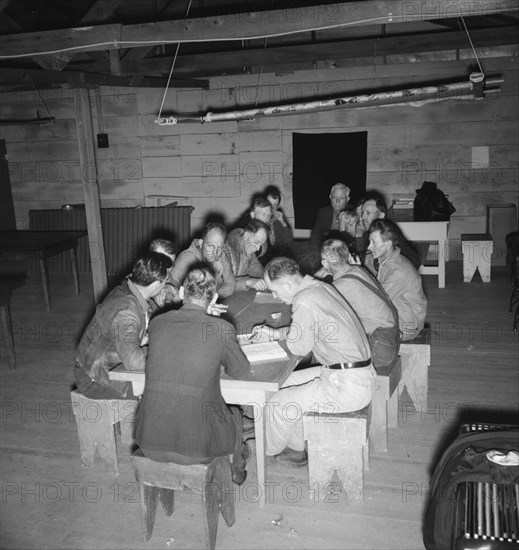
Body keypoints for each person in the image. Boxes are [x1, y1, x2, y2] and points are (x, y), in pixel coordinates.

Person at [251, 257, 375, 467]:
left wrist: (281, 337)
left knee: (279, 404)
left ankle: (265, 450)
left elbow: (299, 347)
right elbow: (307, 330)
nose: (275, 296)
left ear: (287, 285)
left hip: (348, 386)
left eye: (275, 291)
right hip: (351, 373)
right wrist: (275, 333)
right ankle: (296, 449)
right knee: (284, 382)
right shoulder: (318, 287)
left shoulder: (304, 301)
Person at [135, 267, 251, 485]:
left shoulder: (158, 322)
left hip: (150, 442)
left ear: (181, 293)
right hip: (198, 449)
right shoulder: (220, 329)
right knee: (235, 415)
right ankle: (236, 468)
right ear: (214, 297)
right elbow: (241, 371)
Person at [74, 252, 172, 400]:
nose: (167, 284)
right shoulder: (126, 312)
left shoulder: (129, 288)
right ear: (155, 285)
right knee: (165, 389)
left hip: (107, 367)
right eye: (165, 281)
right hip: (97, 379)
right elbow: (134, 361)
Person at [319, 239, 400, 369]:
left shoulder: (340, 286)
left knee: (326, 343)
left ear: (324, 263)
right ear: (347, 256)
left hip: (379, 350)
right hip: (391, 341)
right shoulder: (357, 270)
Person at [368, 219, 427, 341]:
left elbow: (374, 301)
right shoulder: (387, 260)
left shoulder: (397, 271)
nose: (369, 246)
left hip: (407, 327)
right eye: (370, 241)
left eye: (374, 242)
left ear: (388, 244)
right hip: (403, 316)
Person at [169, 223, 236, 299]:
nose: (216, 252)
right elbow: (169, 294)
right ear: (201, 243)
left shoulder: (221, 256)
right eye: (211, 246)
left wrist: (211, 297)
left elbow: (231, 284)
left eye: (220, 247)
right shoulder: (186, 259)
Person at [359, 196, 421, 270]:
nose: (363, 217)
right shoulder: (367, 235)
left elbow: (415, 261)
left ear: (381, 215)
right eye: (362, 212)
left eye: (368, 213)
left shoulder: (390, 234)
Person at [226, 219, 268, 291]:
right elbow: (222, 283)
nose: (258, 248)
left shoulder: (247, 248)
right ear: (246, 235)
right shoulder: (225, 249)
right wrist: (248, 282)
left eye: (261, 244)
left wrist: (270, 277)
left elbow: (255, 267)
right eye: (257, 242)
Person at [149, 238, 178, 308]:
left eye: (171, 264)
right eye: (164, 262)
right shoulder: (136, 284)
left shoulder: (171, 282)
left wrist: (173, 289)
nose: (169, 269)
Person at [265, 185, 293, 255]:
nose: (272, 208)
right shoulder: (258, 217)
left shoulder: (277, 219)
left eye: (275, 206)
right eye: (269, 204)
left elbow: (288, 242)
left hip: (276, 255)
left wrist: (283, 223)